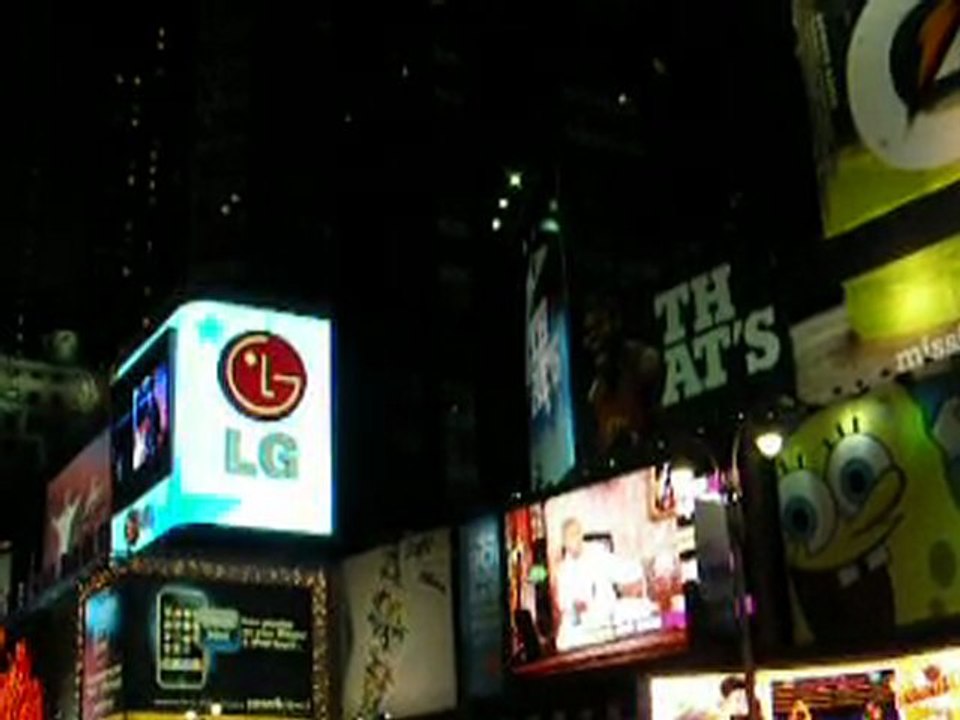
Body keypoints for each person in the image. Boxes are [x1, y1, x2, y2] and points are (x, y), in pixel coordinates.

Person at [554, 517, 648, 650]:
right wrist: (574, 606)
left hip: (607, 617)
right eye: (570, 536)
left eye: (577, 533)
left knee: (646, 615)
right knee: (566, 642)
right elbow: (563, 603)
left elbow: (621, 570)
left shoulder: (597, 553)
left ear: (581, 534)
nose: (575, 539)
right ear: (564, 541)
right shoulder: (563, 570)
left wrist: (640, 569)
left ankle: (678, 619)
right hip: (582, 626)